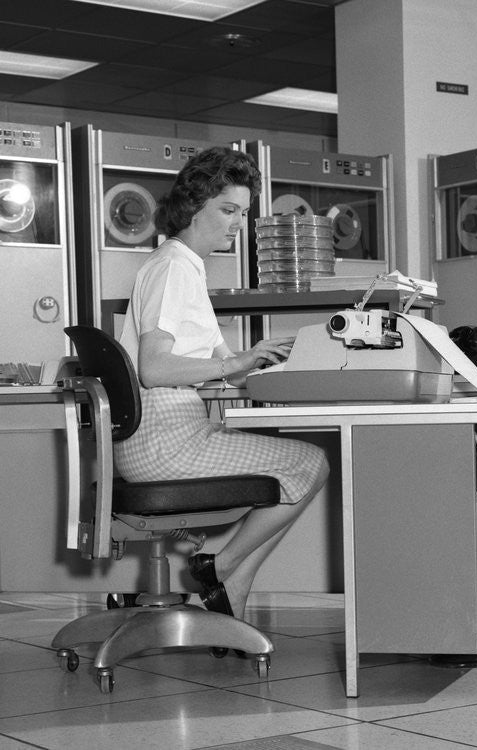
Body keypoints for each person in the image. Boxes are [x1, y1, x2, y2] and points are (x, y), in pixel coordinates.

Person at [115, 146, 330, 620]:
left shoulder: (181, 265)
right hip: (165, 442)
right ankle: (220, 563)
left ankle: (233, 589)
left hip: (166, 434)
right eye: (227, 210)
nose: (237, 223)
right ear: (194, 206)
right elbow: (155, 368)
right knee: (310, 464)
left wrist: (270, 361)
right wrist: (238, 363)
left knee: (302, 464)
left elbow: (220, 366)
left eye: (243, 212)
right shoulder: (174, 267)